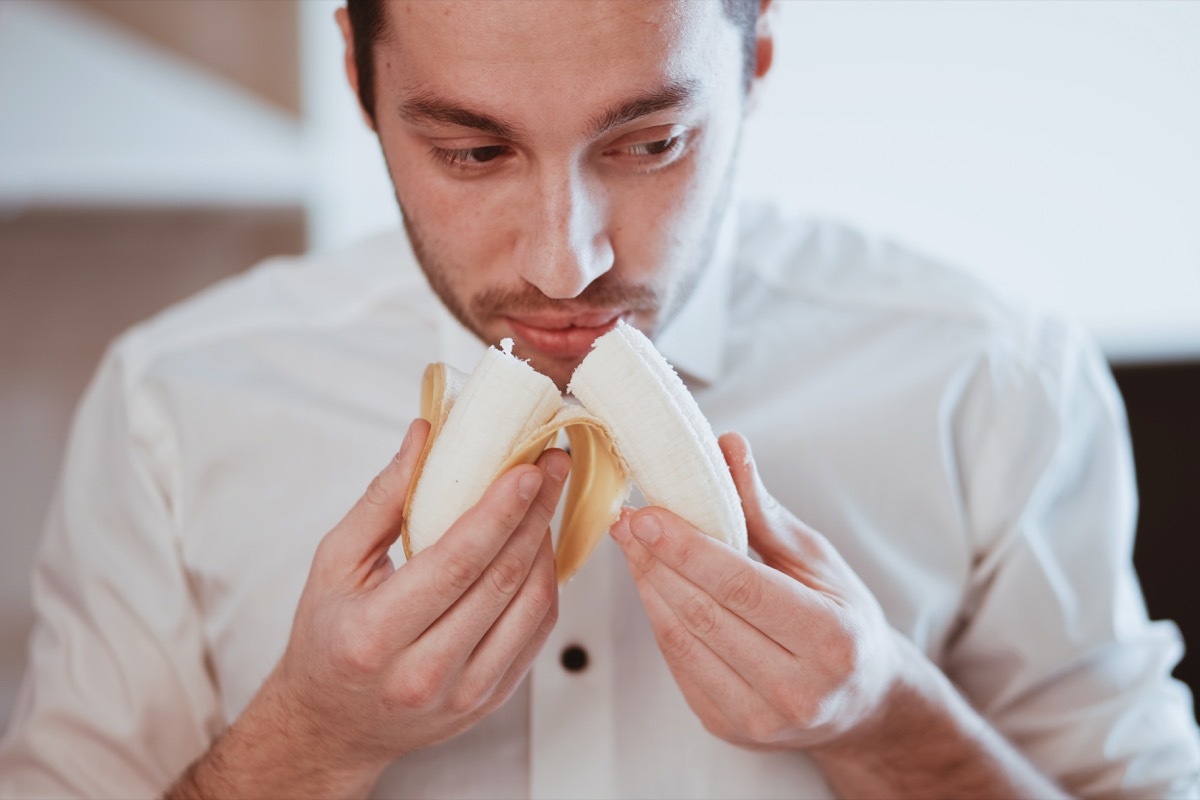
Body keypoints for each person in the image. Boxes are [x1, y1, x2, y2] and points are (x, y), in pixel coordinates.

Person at [2, 0, 1198, 797]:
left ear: (756, 65)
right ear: (361, 80)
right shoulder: (171, 401)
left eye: (649, 144)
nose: (564, 262)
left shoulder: (991, 376)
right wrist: (312, 734)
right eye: (473, 154)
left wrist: (884, 712)